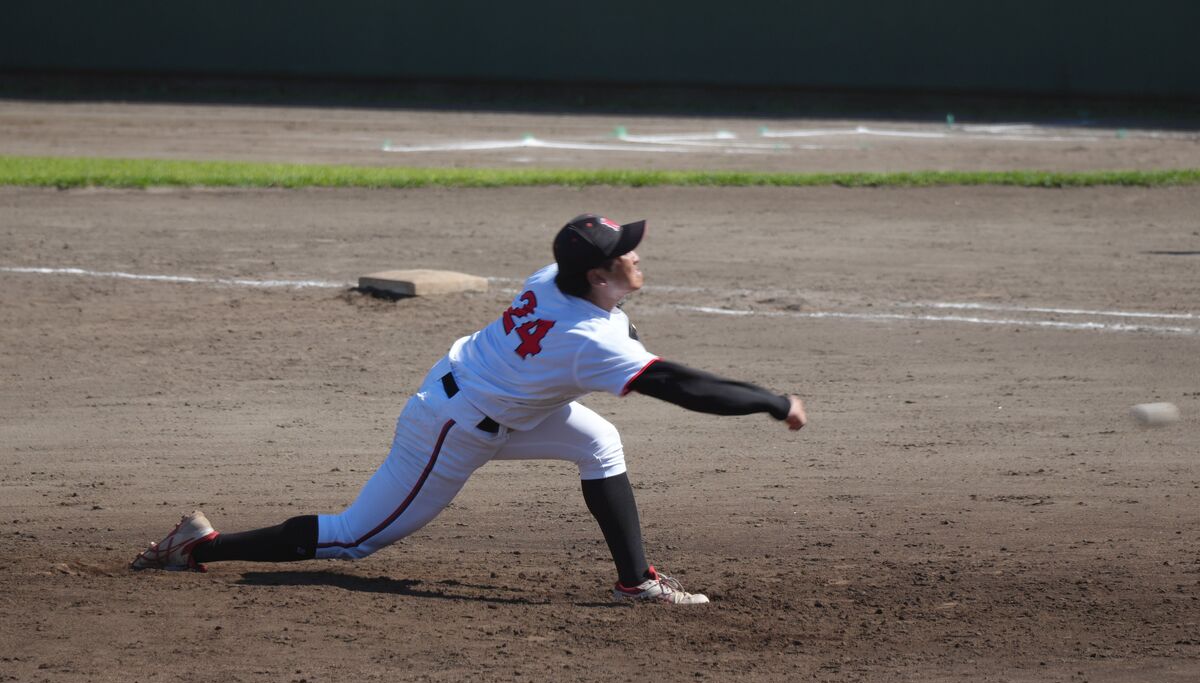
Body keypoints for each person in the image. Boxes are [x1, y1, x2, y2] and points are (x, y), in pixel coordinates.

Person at [131, 214, 807, 604]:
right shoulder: (587, 339)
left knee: (598, 444)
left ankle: (636, 584)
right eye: (621, 253)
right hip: (449, 429)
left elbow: (619, 333)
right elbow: (683, 386)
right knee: (355, 536)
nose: (634, 254)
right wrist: (772, 402)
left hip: (488, 398)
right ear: (597, 276)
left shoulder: (555, 281)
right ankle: (201, 547)